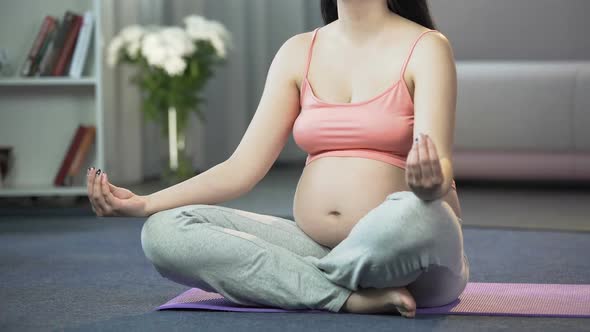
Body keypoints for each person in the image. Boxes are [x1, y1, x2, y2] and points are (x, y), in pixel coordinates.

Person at [86, 0, 469, 319]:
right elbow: (241, 169)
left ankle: (299, 281)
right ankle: (346, 296)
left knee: (415, 213)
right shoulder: (298, 51)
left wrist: (428, 183)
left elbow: (440, 166)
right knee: (163, 232)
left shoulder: (426, 46)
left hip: (414, 249)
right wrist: (146, 203)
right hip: (318, 246)